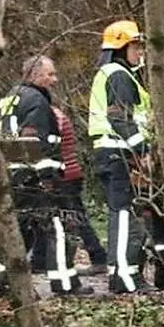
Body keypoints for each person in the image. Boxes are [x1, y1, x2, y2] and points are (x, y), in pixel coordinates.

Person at [0, 54, 92, 296]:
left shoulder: (11, 97)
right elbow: (39, 144)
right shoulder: (37, 101)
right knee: (60, 226)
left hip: (14, 176)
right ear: (34, 75)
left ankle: (0, 279)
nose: (54, 79)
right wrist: (48, 179)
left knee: (20, 229)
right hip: (36, 178)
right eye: (50, 74)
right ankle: (65, 283)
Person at [87, 20, 164, 294]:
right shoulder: (118, 76)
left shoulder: (119, 75)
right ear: (121, 47)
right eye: (135, 46)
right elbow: (120, 118)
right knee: (122, 216)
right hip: (118, 153)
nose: (140, 52)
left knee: (128, 214)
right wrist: (142, 150)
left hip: (118, 153)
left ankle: (128, 273)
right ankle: (122, 278)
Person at [31, 103, 108, 276]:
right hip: (67, 173)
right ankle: (39, 260)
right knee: (49, 217)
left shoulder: (51, 116)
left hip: (64, 175)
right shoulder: (52, 114)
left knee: (74, 218)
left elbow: (49, 146)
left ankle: (98, 257)